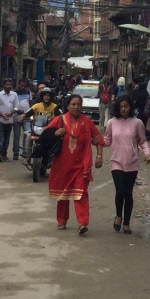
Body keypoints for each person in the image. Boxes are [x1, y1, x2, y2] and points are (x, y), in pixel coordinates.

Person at [46, 94, 104, 234]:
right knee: (63, 193)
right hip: (62, 165)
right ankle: (62, 220)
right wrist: (55, 133)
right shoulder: (59, 120)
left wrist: (99, 156)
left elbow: (98, 139)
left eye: (79, 104)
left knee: (81, 193)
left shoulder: (87, 122)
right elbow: (45, 135)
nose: (76, 107)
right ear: (67, 106)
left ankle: (82, 223)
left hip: (81, 166)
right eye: (73, 104)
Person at [102, 96, 150, 233]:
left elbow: (142, 141)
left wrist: (147, 152)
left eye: (126, 106)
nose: (123, 109)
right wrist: (96, 141)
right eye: (121, 107)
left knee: (128, 193)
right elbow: (107, 140)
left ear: (130, 107)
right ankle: (119, 215)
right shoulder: (112, 122)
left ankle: (127, 223)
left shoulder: (137, 123)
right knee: (120, 191)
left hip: (132, 163)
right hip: (116, 162)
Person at [0, 79, 19, 162]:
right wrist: (3, 115)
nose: (9, 86)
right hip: (0, 120)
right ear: (3, 85)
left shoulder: (14, 95)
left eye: (10, 84)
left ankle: (4, 154)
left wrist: (10, 113)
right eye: (7, 84)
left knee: (7, 138)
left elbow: (16, 107)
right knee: (0, 137)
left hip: (10, 120)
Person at [15, 80, 32, 160]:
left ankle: (25, 152)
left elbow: (31, 103)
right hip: (16, 116)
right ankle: (16, 153)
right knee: (16, 135)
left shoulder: (28, 92)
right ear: (18, 84)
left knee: (27, 134)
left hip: (26, 117)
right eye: (21, 85)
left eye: (24, 86)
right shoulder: (13, 93)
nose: (22, 87)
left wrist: (30, 113)